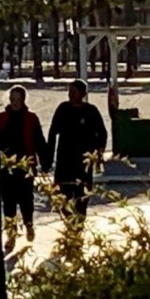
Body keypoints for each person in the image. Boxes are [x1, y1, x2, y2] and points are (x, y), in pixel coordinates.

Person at [44, 79, 107, 228]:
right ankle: (69, 223)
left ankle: (78, 225)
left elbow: (102, 134)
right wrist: (47, 159)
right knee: (62, 196)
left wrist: (98, 154)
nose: (71, 95)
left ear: (83, 93)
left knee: (81, 197)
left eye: (74, 91)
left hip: (83, 164)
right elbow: (53, 133)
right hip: (64, 161)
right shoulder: (63, 109)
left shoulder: (91, 111)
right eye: (69, 91)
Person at [0, 85, 47, 252]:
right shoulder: (1, 119)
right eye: (12, 99)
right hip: (6, 168)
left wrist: (45, 163)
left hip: (26, 166)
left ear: (24, 100)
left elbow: (39, 141)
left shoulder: (31, 119)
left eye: (18, 99)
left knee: (26, 199)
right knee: (8, 202)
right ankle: (11, 234)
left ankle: (29, 224)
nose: (15, 102)